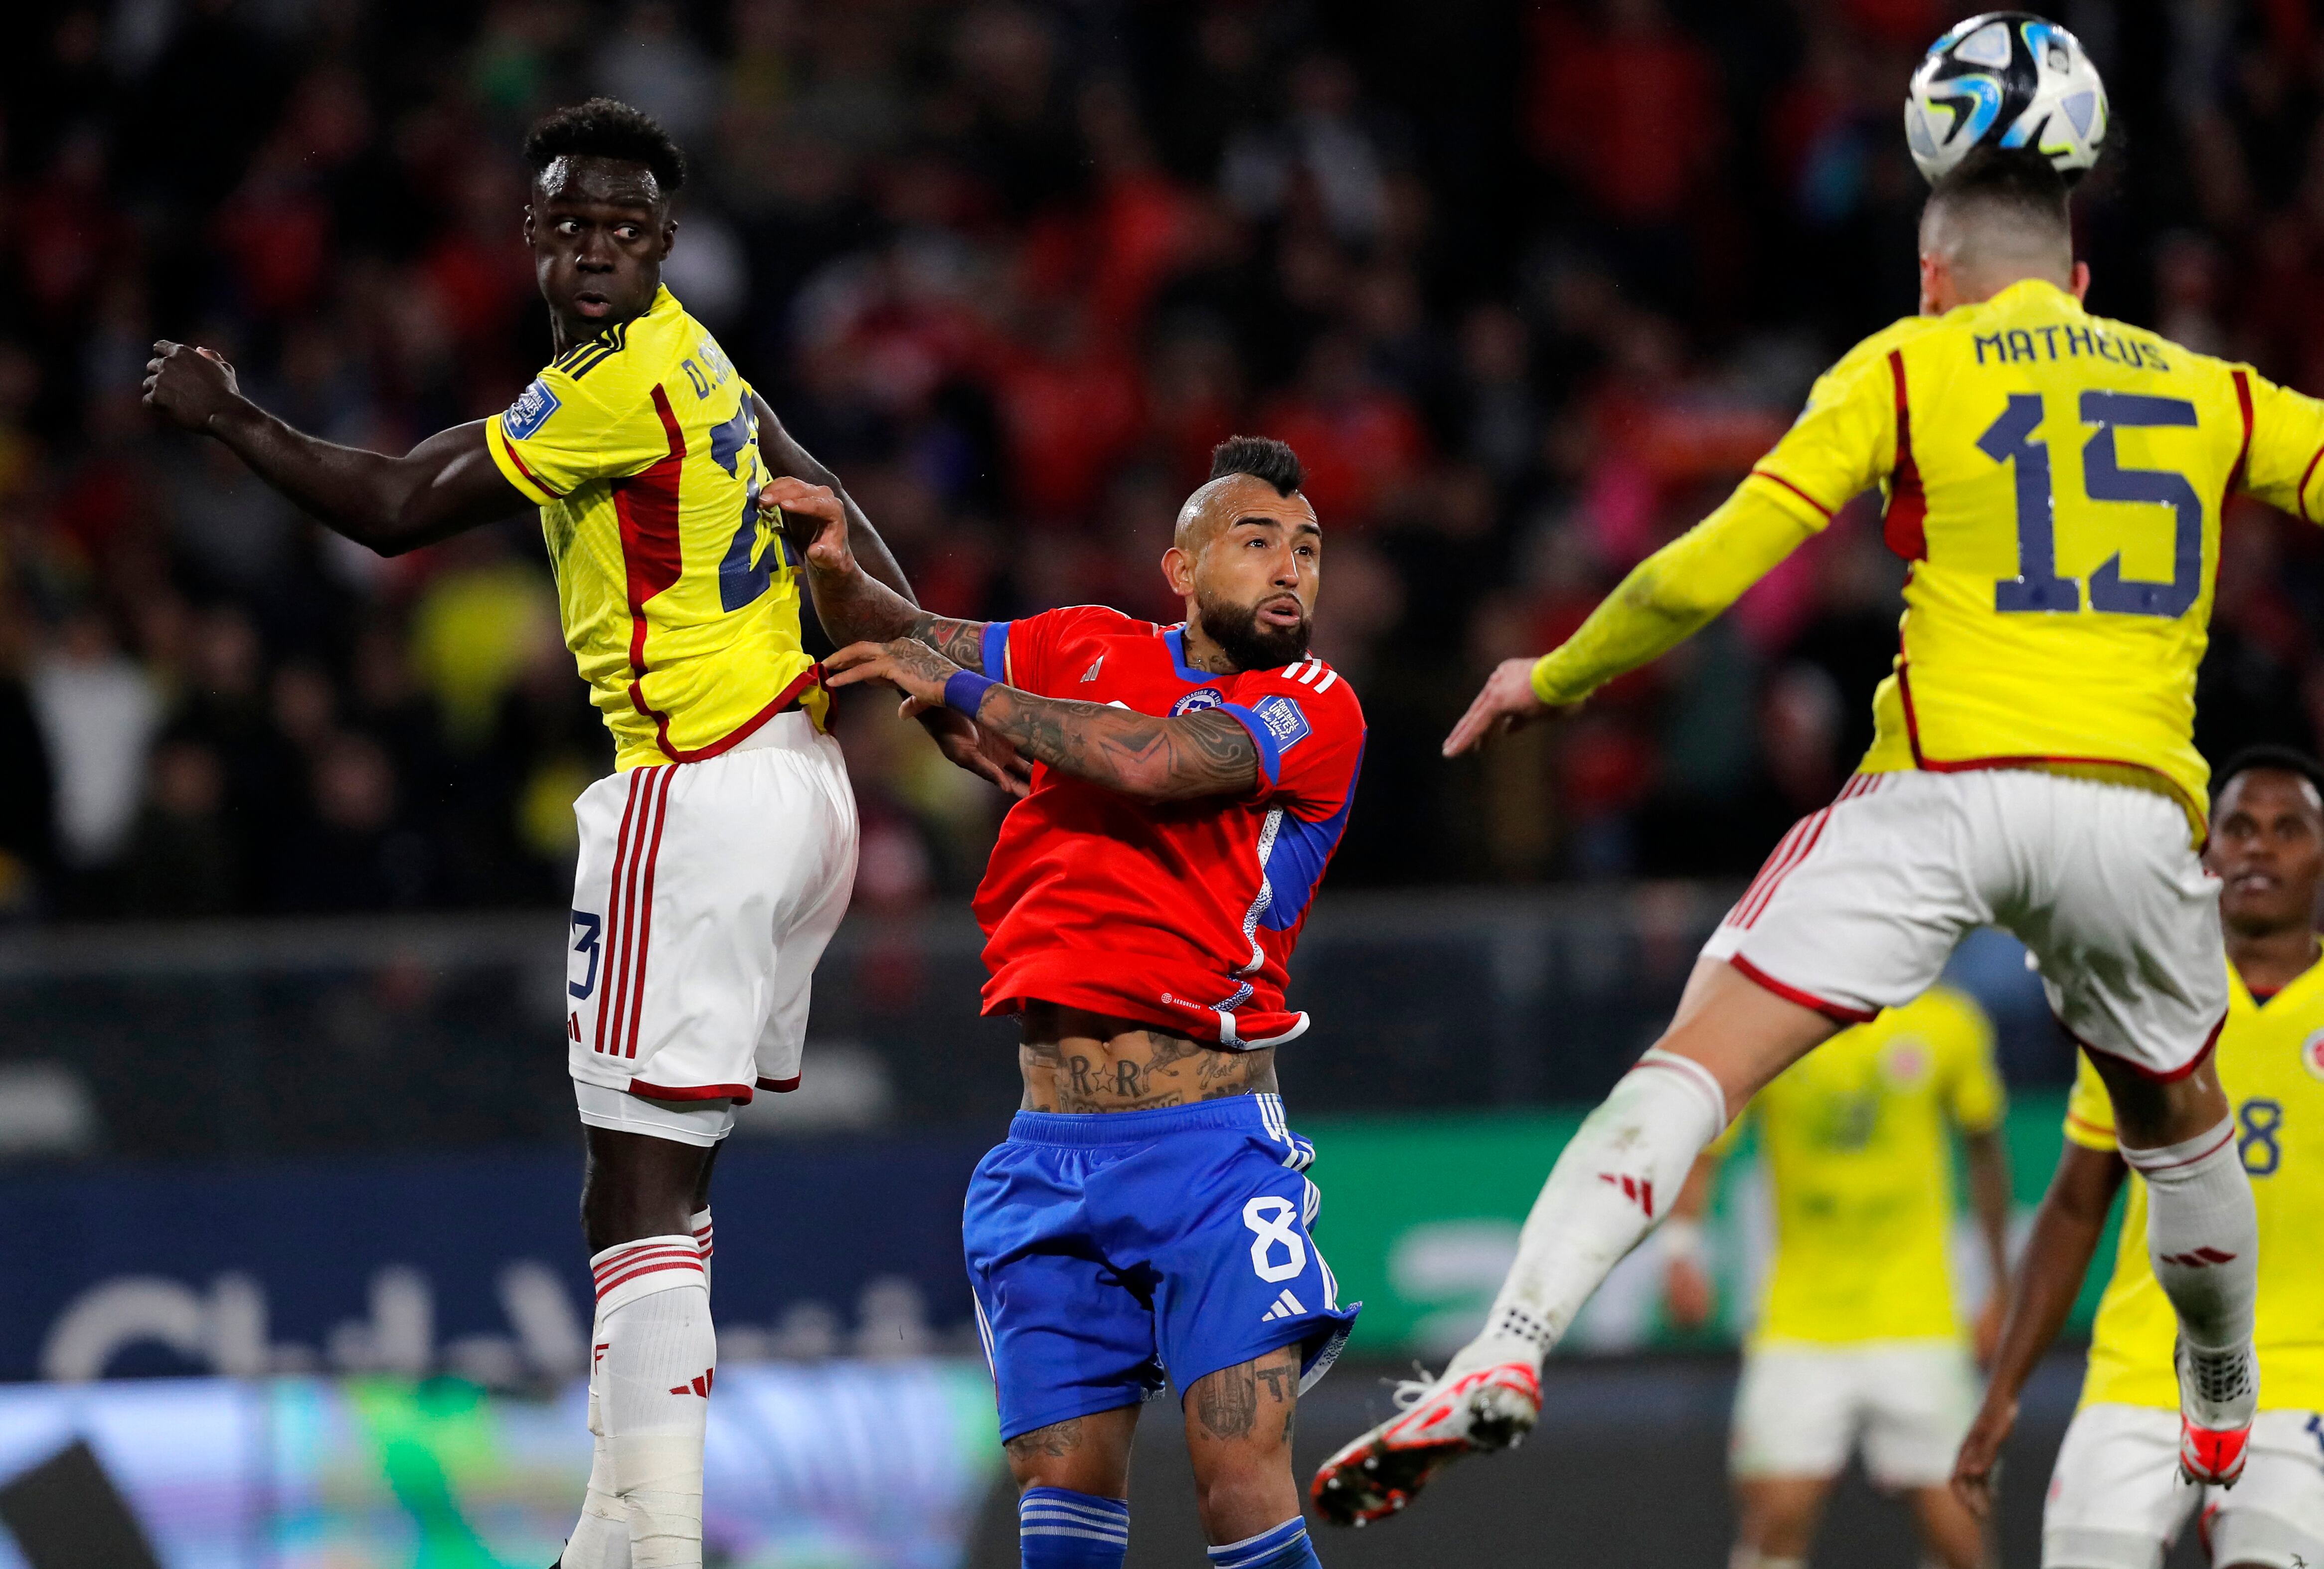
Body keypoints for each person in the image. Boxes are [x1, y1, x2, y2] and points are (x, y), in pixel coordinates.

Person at [1313, 146, 2324, 1524]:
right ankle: (2218, 1394)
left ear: (1930, 281)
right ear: (2079, 280)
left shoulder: (1905, 367)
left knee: (1696, 1059)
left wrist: (1551, 676)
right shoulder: (2206, 388)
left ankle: (1506, 1345)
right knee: (2173, 1123)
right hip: (2134, 804)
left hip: (1941, 786)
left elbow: (1704, 568)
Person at [142, 98, 1015, 1569]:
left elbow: (401, 509)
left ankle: (650, 1540)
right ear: (533, 237)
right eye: (571, 225)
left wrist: (230, 413)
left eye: (623, 228)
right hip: (798, 780)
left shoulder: (612, 380)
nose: (596, 249)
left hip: (700, 783)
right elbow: (833, 496)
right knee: (663, 1171)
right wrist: (926, 666)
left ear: (663, 242)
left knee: (635, 1182)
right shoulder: (704, 356)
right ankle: (616, 1528)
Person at [768, 435, 1362, 1569]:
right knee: (1064, 1516)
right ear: (1180, 567)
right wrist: (832, 568)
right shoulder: (1081, 643)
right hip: (1049, 1154)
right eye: (1258, 541)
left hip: (1209, 1153)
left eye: (1309, 549)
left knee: (1238, 1481)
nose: (1291, 568)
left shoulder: (1314, 705)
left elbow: (1154, 761)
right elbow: (904, 639)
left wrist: (970, 691)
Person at [1953, 748, 2324, 1569]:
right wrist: (2003, 1386)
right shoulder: (2143, 1006)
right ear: (2208, 855)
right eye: (2238, 828)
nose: (2259, 847)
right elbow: (2078, 1202)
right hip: (2139, 1369)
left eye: (2287, 829)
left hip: (2306, 1372)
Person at [1663, 984, 2010, 1569]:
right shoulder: (1768, 1027)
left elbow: (1985, 1152)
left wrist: (2002, 1288)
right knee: (1774, 1517)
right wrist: (1679, 1251)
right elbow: (1705, 1146)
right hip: (1801, 1321)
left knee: (1960, 1538)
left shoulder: (1947, 1023)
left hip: (1918, 1316)